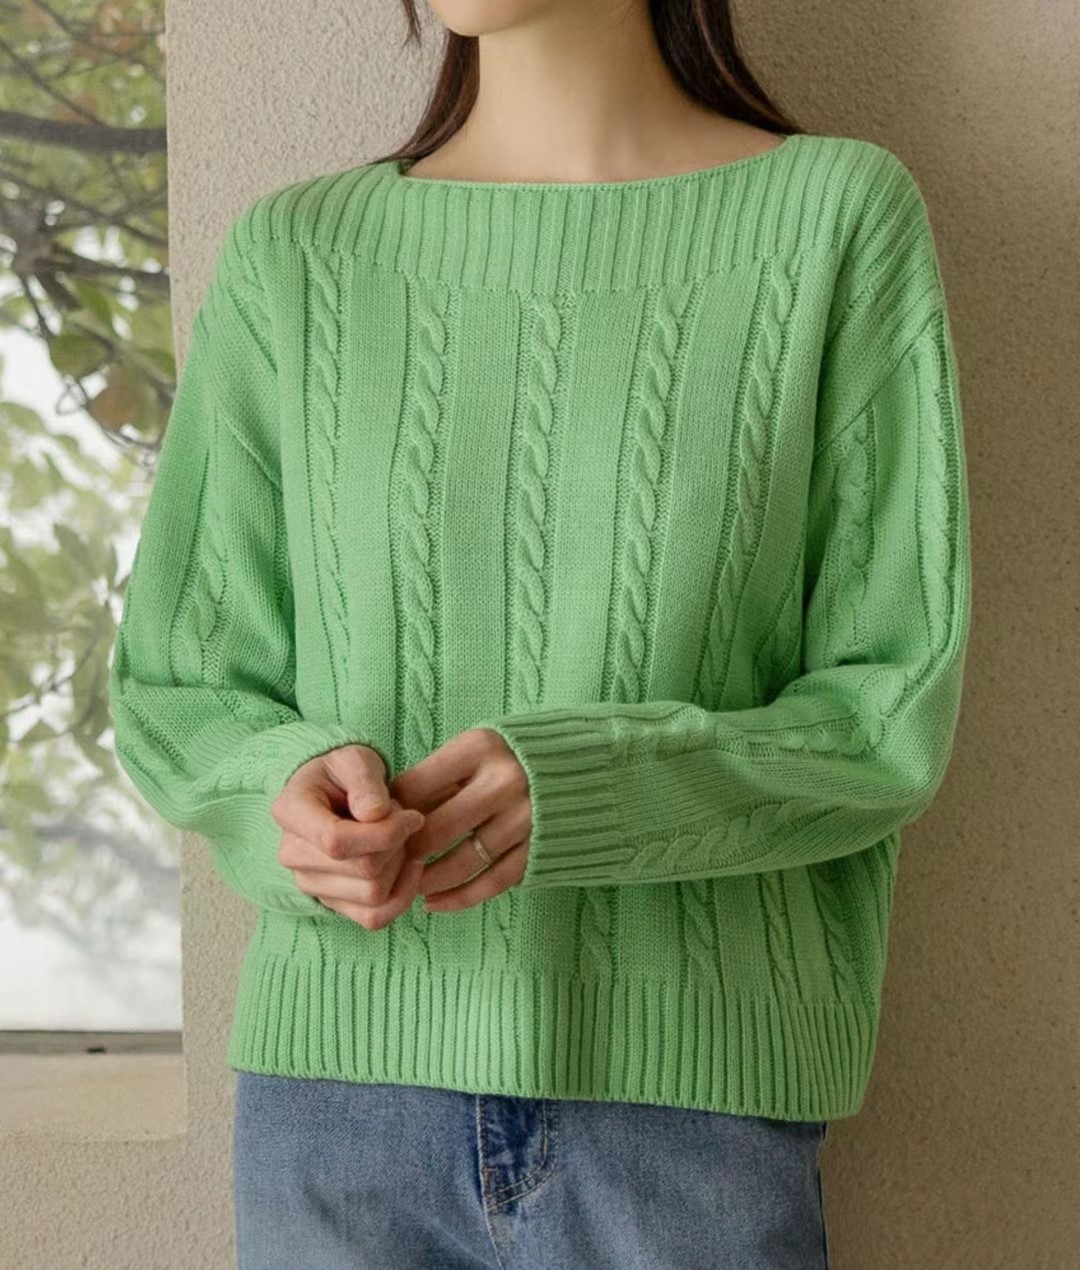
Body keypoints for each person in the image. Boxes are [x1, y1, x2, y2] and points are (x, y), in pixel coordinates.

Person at [107, 1, 972, 1266]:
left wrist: (596, 783)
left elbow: (887, 709)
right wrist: (286, 792)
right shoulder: (300, 253)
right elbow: (183, 682)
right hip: (339, 1113)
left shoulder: (834, 219)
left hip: (689, 1124)